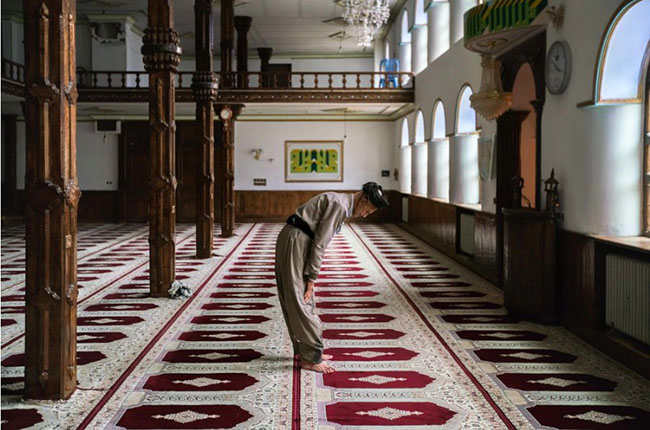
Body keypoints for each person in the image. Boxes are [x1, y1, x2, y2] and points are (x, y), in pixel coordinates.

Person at [274, 182, 390, 373]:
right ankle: (310, 357)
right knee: (300, 298)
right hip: (296, 241)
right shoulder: (340, 206)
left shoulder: (340, 202)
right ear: (364, 199)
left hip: (296, 239)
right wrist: (312, 278)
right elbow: (320, 244)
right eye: (368, 211)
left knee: (300, 298)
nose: (365, 215)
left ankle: (309, 351)